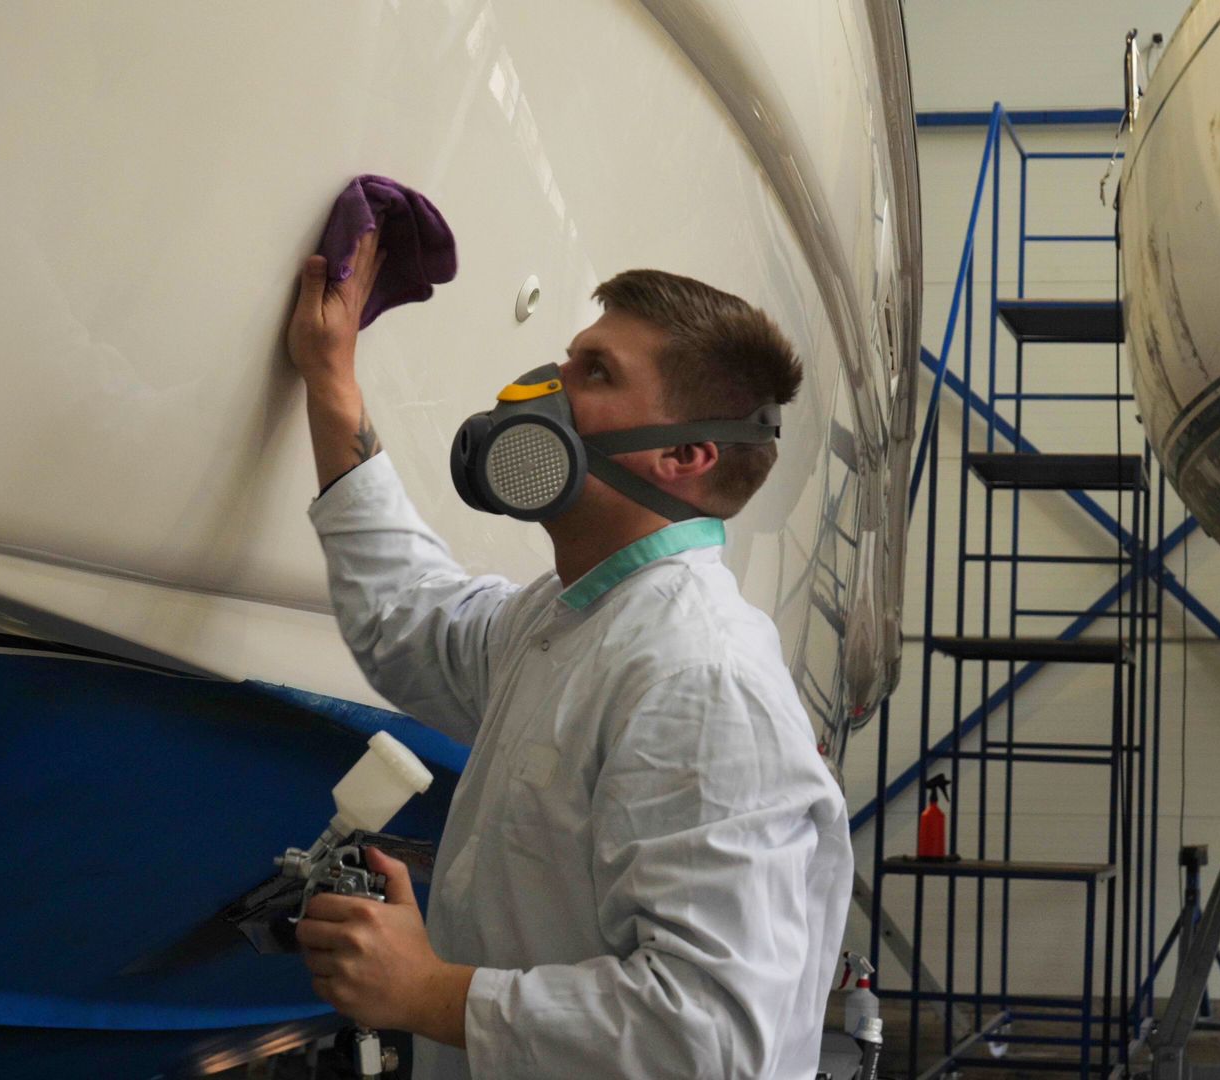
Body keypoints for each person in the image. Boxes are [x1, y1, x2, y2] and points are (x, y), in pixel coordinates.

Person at [286, 228, 851, 1078]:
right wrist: (330, 378)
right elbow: (411, 622)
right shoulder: (573, 619)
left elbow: (716, 1040)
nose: (542, 391)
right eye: (568, 360)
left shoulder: (700, 678)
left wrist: (427, 991)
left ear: (686, 455)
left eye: (595, 374)